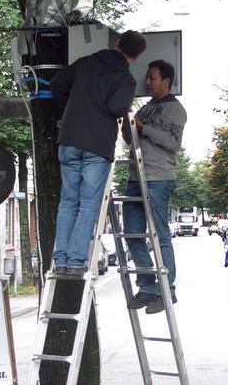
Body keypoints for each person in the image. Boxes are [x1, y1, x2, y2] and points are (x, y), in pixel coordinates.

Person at [50, 30, 147, 276]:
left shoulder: (87, 62)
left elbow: (57, 84)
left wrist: (72, 109)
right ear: (135, 57)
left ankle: (60, 259)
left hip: (69, 139)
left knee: (68, 202)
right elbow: (116, 108)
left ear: (117, 43)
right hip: (97, 146)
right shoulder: (125, 79)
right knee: (88, 205)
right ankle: (75, 262)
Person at [123, 59, 186, 314]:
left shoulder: (175, 110)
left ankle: (166, 289)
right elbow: (130, 137)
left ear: (166, 81)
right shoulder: (145, 108)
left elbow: (172, 142)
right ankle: (148, 286)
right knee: (133, 234)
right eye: (147, 78)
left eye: (152, 78)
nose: (147, 83)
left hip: (158, 178)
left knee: (160, 234)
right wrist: (128, 124)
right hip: (135, 177)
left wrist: (142, 127)